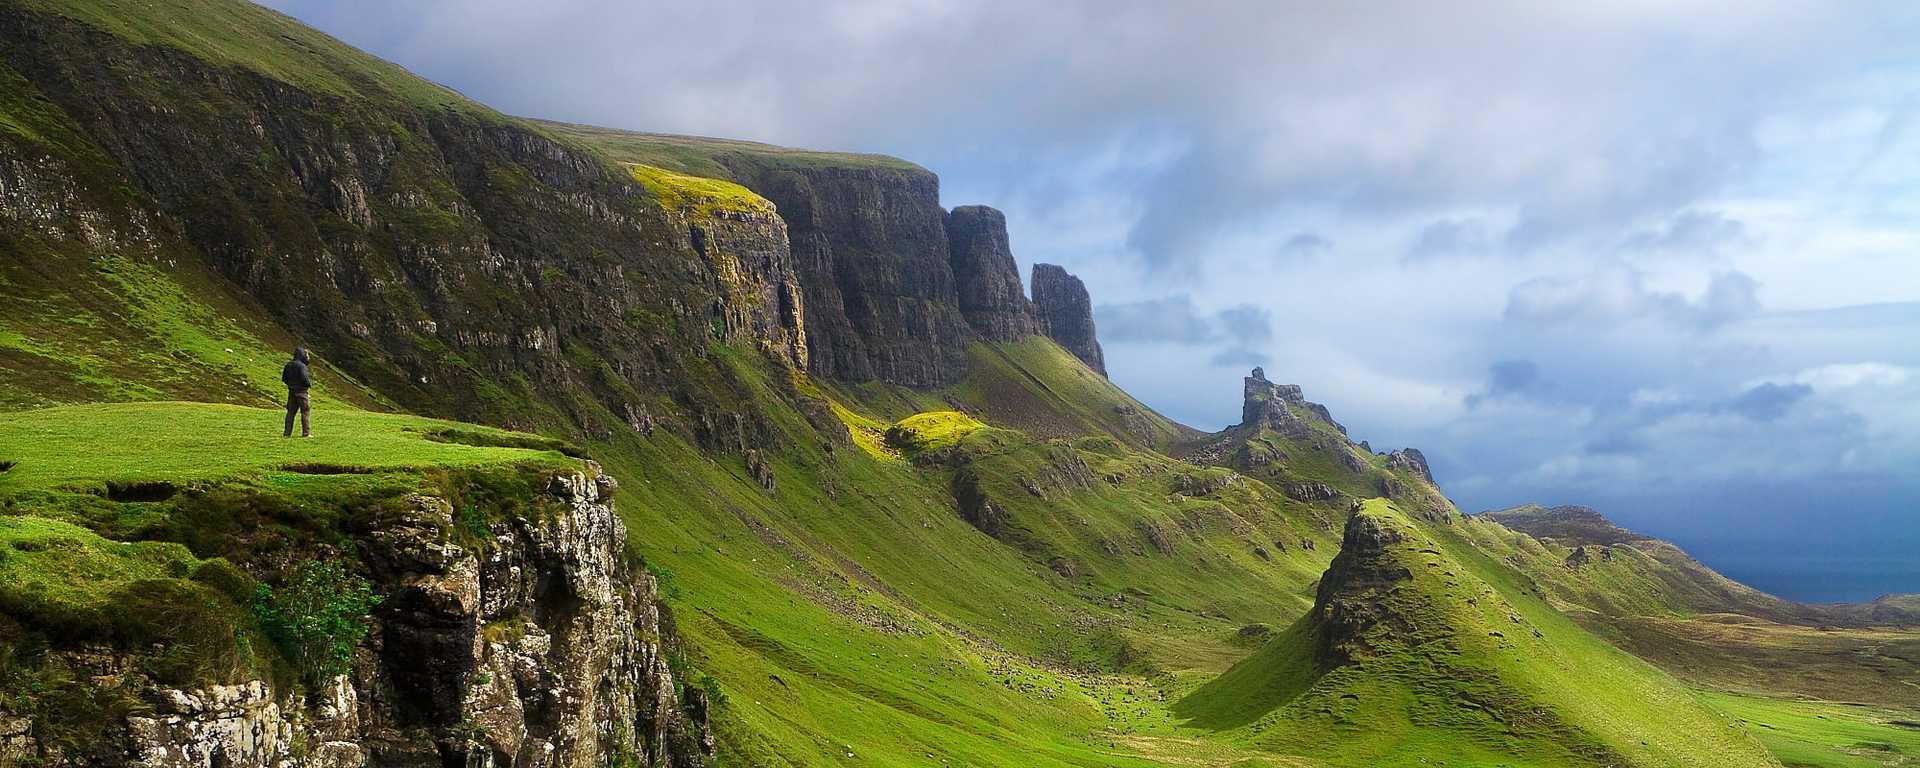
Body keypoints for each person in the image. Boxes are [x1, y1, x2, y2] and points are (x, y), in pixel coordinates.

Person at [282, 347, 312, 438]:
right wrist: (308, 385)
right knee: (305, 411)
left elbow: (284, 378)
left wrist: (291, 385)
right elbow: (304, 379)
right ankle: (306, 433)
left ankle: (287, 433)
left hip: (291, 391)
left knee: (290, 412)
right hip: (302, 392)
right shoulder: (302, 366)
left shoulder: (288, 365)